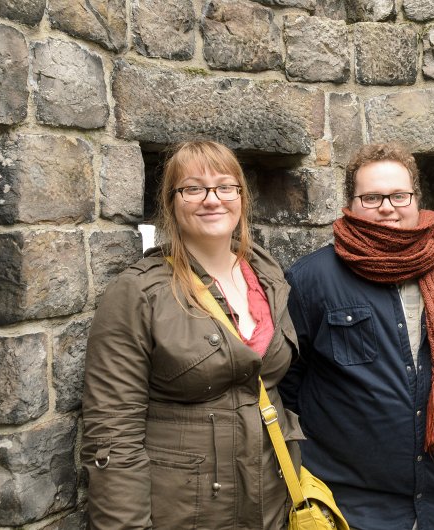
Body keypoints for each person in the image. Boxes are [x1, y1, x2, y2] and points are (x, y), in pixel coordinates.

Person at [81, 140, 303, 529]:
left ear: (241, 197)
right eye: (193, 188)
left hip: (271, 499)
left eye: (225, 187)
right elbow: (113, 430)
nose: (211, 199)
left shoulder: (268, 276)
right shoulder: (140, 292)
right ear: (172, 201)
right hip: (187, 510)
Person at [280, 143, 434, 530]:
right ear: (351, 204)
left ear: (416, 198)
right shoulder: (312, 279)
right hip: (351, 498)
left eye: (399, 195)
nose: (387, 207)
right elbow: (291, 380)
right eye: (372, 197)